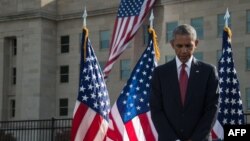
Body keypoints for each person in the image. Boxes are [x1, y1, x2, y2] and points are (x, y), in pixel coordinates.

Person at [150, 24, 219, 141]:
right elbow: (156, 110)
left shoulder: (208, 72)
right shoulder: (160, 73)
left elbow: (212, 110)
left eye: (188, 46)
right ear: (172, 44)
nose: (184, 50)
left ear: (196, 44)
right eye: (179, 46)